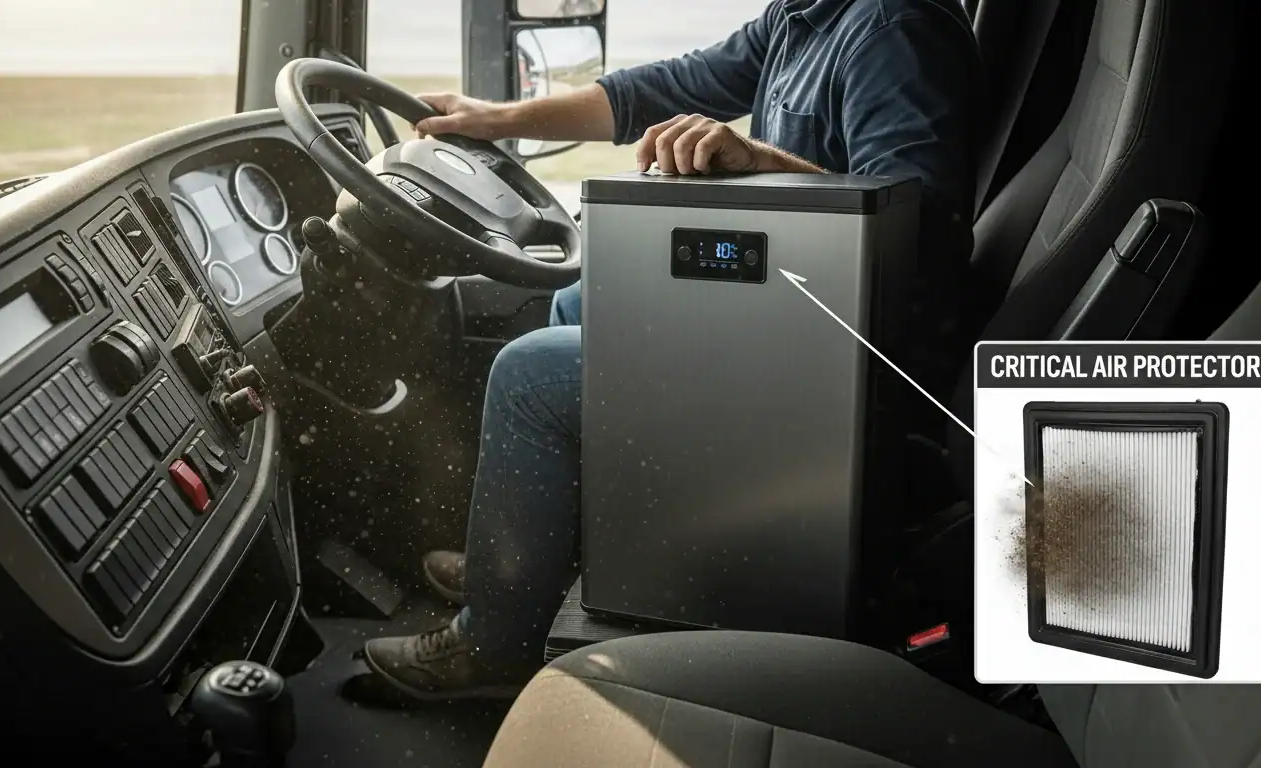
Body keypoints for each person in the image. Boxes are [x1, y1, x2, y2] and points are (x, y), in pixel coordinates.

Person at [362, 0, 983, 700]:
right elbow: (663, 87)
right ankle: (523, 558)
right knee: (578, 302)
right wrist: (492, 119)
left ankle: (493, 643)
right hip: (796, 318)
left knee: (529, 376)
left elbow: (918, 236)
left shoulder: (895, 30)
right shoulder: (805, 14)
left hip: (841, 371)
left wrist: (760, 162)